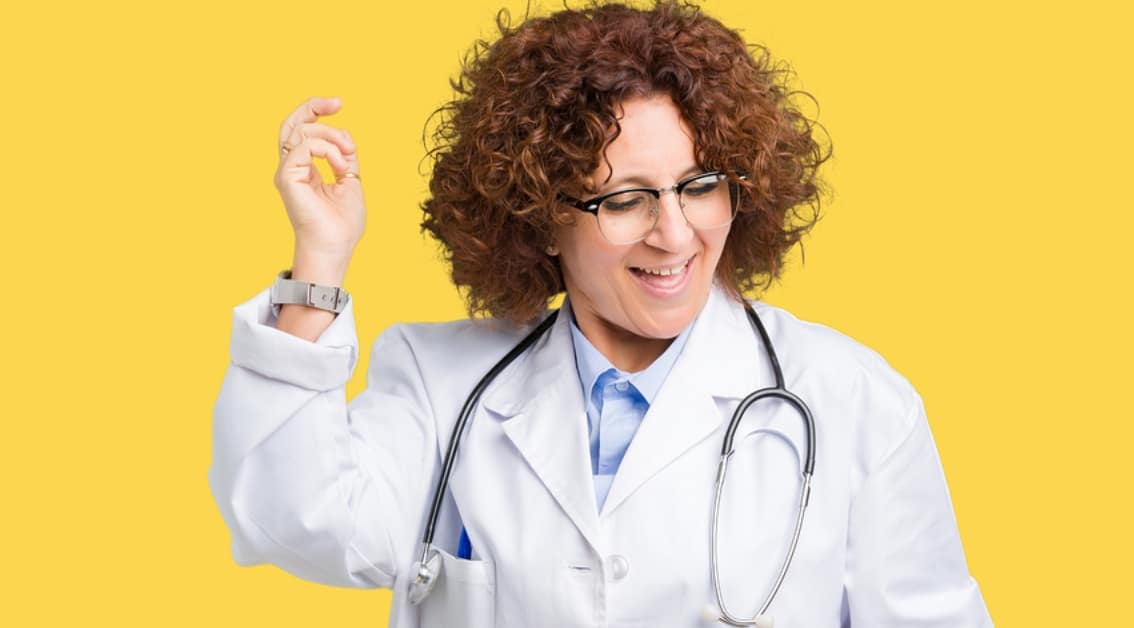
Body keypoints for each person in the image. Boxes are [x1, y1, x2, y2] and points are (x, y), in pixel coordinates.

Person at [208, 2, 992, 626]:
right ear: (543, 212)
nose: (675, 232)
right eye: (625, 199)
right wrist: (321, 257)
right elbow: (290, 520)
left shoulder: (854, 401)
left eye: (699, 185)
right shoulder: (442, 380)